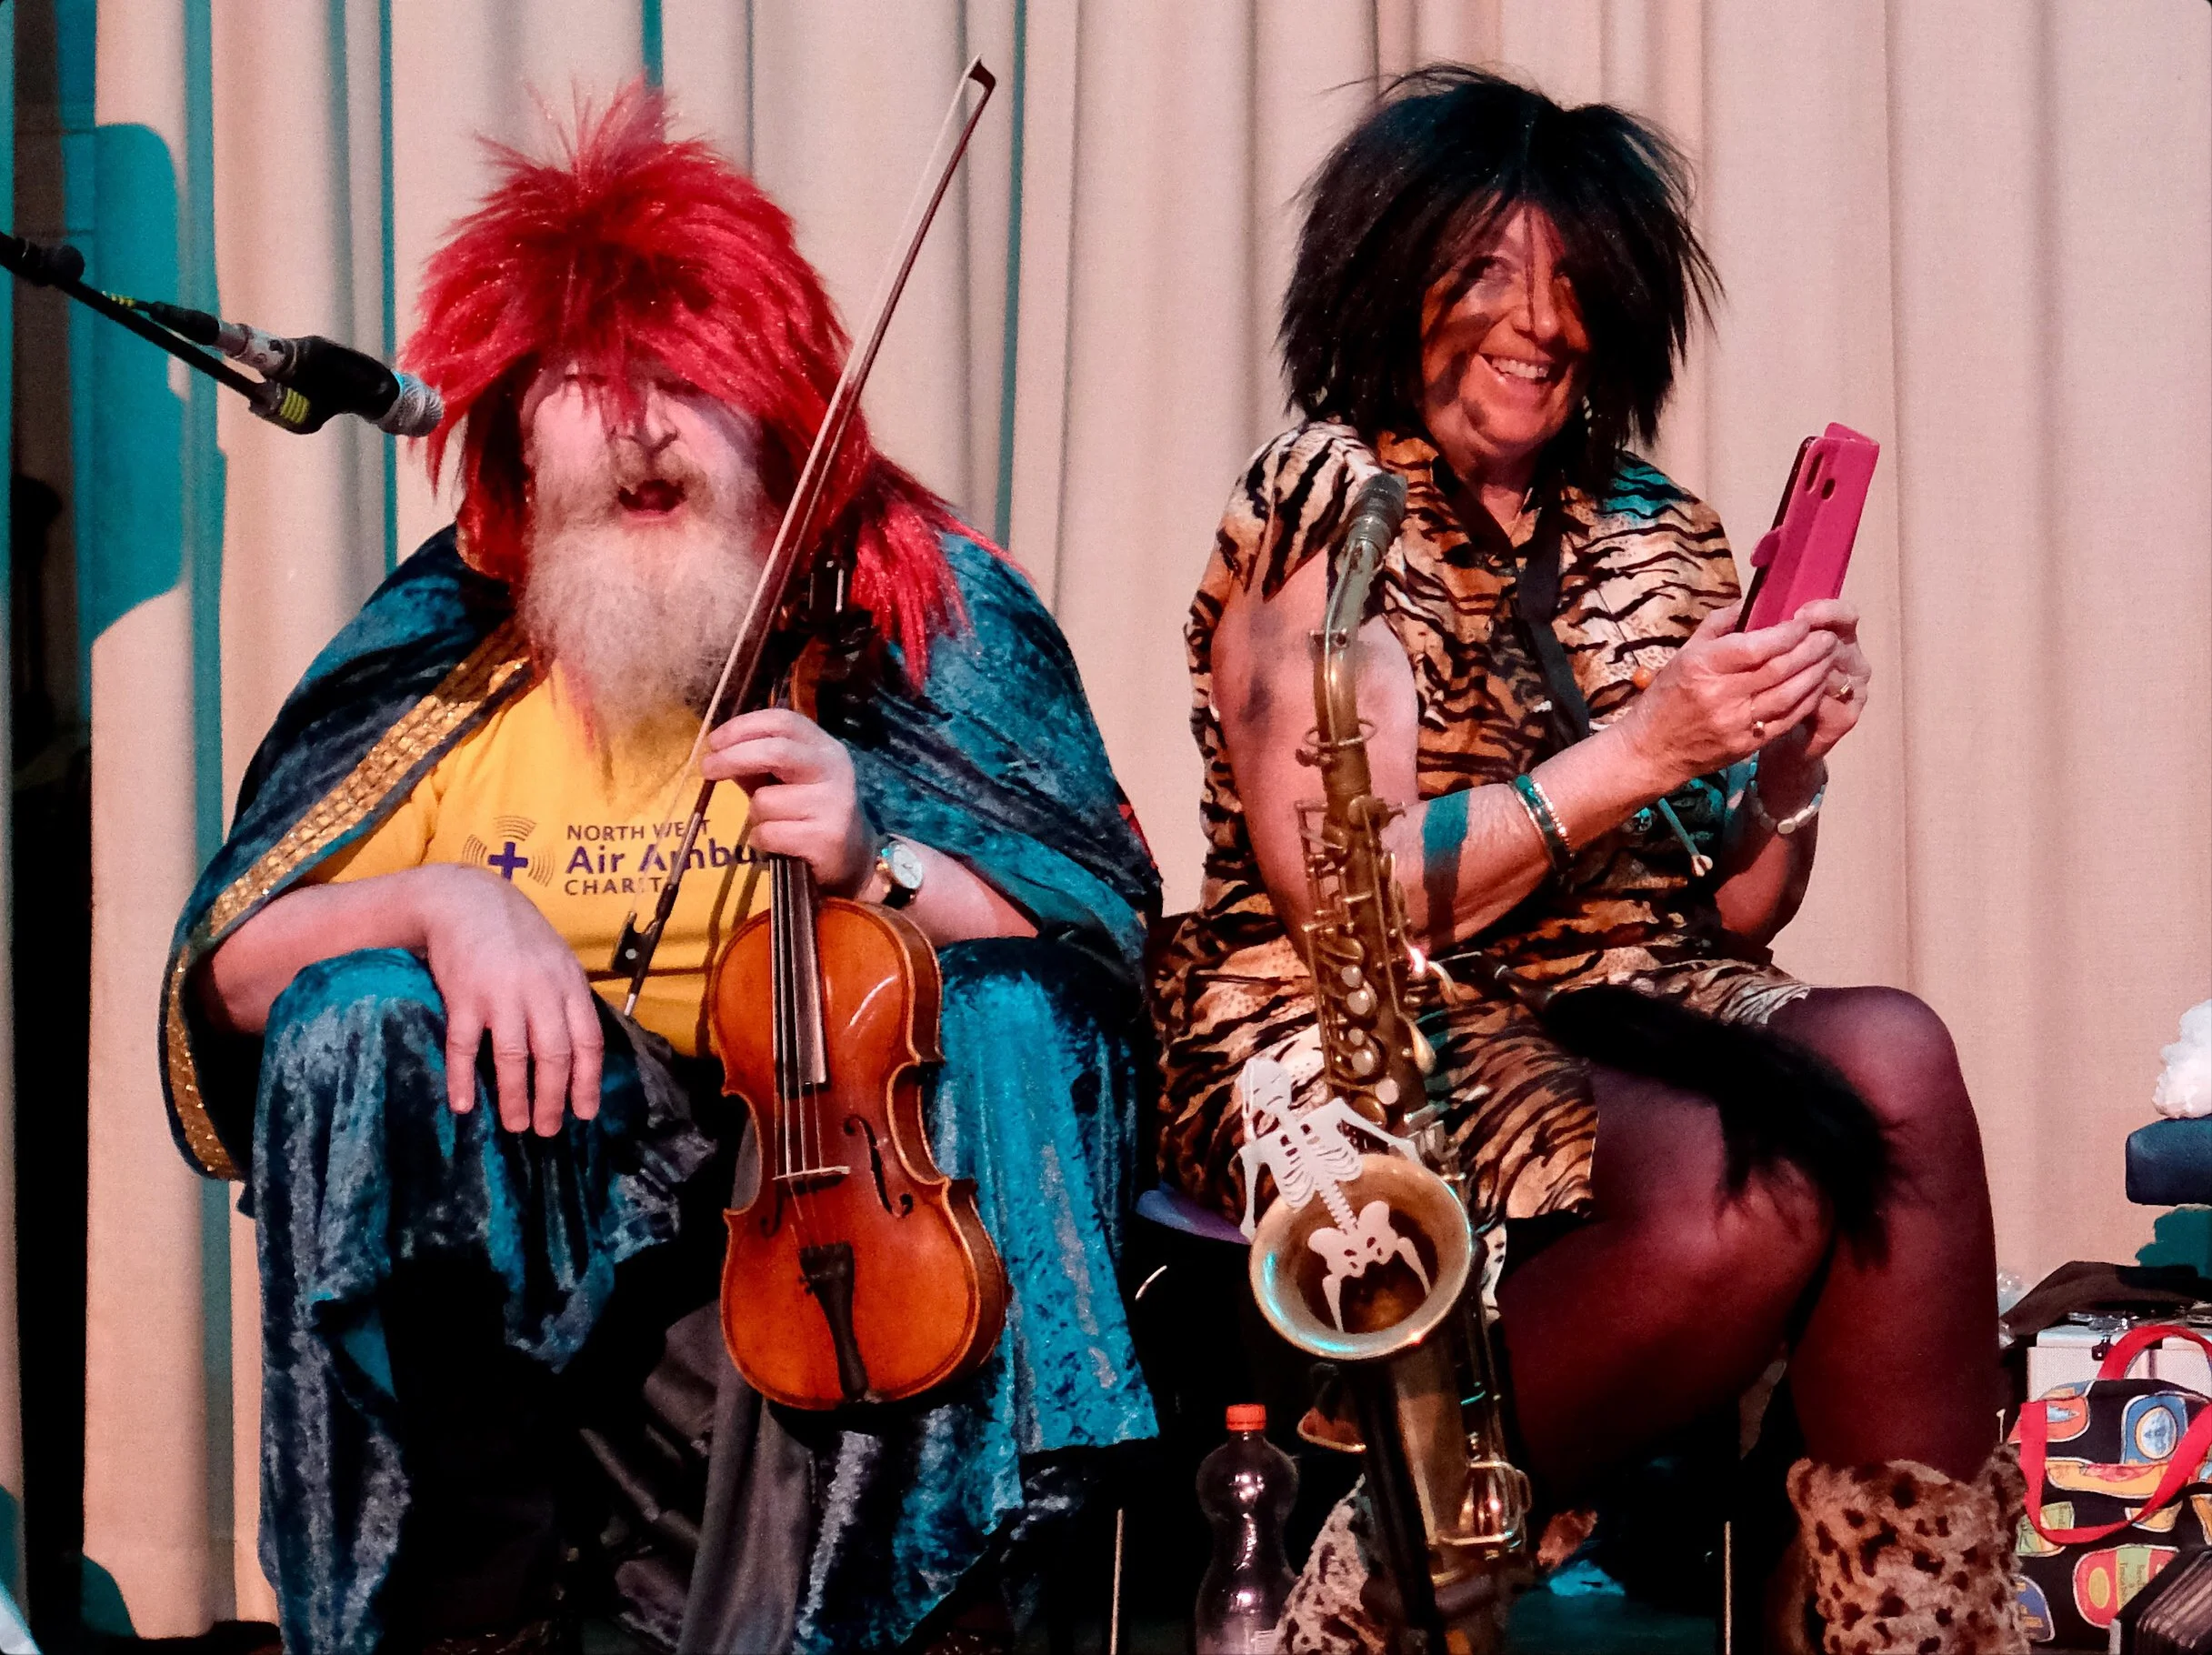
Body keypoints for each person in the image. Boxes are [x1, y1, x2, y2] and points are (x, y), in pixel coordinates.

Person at [162, 89, 1158, 1655]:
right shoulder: (458, 639)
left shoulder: (923, 611)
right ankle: (454, 1610)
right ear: (510, 424)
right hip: (547, 1217)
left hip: (839, 1232)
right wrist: (439, 903)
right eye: (586, 385)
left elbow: (1091, 967)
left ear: (774, 401)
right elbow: (228, 967)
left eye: (685, 382)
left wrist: (882, 851)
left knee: (1006, 1020)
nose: (638, 427)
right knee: (352, 1017)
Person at [1151, 68, 2022, 1654]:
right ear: (1386, 275)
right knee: (1743, 1192)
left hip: (1625, 985)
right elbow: (1338, 898)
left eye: (1572, 285)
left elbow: (1732, 908)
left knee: (1895, 1056)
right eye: (1483, 272)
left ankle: (1921, 1629)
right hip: (1371, 1007)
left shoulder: (1655, 524)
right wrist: (1646, 748)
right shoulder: (1320, 505)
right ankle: (1393, 1574)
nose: (1534, 324)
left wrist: (1783, 773)